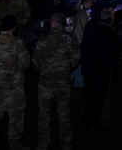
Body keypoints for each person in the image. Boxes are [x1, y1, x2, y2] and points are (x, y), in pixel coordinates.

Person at [32, 12, 80, 150]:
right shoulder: (71, 38)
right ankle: (66, 144)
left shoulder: (44, 38)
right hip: (63, 82)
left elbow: (35, 60)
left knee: (43, 115)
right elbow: (76, 56)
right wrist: (67, 68)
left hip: (45, 83)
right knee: (64, 113)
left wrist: (42, 70)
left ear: (53, 23)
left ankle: (42, 144)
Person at [0, 14, 31, 150]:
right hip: (14, 85)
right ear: (14, 27)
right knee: (16, 115)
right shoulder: (18, 43)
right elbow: (25, 63)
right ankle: (14, 144)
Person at [80, 5, 118, 132]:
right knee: (98, 98)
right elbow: (112, 52)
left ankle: (86, 122)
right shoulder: (106, 32)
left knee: (89, 97)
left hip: (89, 68)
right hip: (101, 70)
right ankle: (95, 123)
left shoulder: (90, 26)